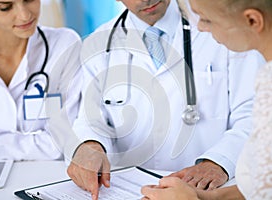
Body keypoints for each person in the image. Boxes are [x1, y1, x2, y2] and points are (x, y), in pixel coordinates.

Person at [66, 0, 264, 199]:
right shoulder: (98, 45)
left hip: (211, 189)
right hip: (129, 192)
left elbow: (253, 114)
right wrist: (89, 145)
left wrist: (218, 162)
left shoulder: (221, 24)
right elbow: (91, 119)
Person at [141, 0, 272, 199]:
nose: (200, 27)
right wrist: (206, 197)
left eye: (207, 20)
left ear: (252, 20)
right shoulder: (267, 76)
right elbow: (260, 189)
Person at [0, 0, 82, 161]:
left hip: (47, 179)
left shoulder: (64, 45)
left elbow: (63, 141)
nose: (24, 16)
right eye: (5, 7)